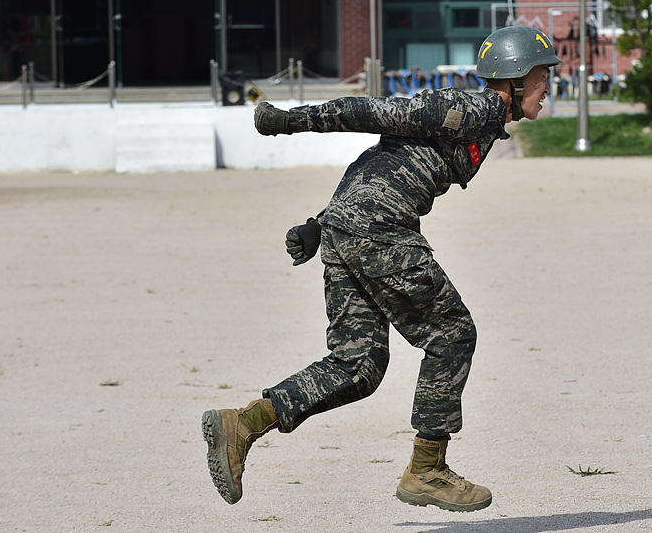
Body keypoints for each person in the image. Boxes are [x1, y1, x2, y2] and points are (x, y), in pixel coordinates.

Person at [202, 25, 561, 513]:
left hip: (354, 226)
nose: (549, 87)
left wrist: (322, 224)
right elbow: (369, 112)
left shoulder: (485, 125)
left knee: (359, 366)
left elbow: (384, 160)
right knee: (453, 334)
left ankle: (242, 423)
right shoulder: (469, 109)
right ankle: (427, 470)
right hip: (379, 229)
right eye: (543, 76)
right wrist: (288, 121)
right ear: (515, 79)